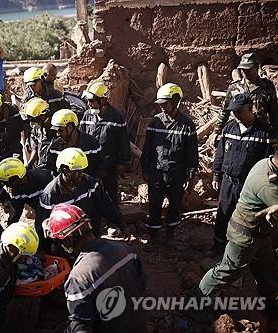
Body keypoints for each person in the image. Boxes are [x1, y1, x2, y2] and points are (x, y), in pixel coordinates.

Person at [193, 147, 278, 324]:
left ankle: (270, 305)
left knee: (266, 269)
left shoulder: (265, 163)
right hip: (245, 235)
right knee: (227, 271)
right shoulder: (268, 183)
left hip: (259, 234)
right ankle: (195, 304)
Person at [43, 204, 146, 333]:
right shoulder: (123, 249)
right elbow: (141, 283)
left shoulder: (78, 277)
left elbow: (81, 327)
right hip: (139, 324)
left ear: (69, 240)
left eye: (58, 241)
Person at [209, 93, 276, 256]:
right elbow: (220, 153)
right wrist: (216, 174)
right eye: (233, 111)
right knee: (223, 214)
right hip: (228, 182)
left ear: (250, 109)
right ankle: (218, 247)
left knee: (248, 219)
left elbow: (270, 162)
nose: (236, 115)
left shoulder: (265, 133)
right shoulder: (229, 128)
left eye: (239, 111)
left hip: (250, 186)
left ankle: (245, 252)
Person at [37, 147, 129, 252]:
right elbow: (43, 227)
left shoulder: (89, 182)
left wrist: (122, 224)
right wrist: (44, 253)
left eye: (82, 171)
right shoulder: (50, 195)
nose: (81, 175)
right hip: (67, 246)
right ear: (64, 169)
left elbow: (106, 205)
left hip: (90, 239)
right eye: (77, 172)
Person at [140, 83, 198, 250]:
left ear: (175, 101)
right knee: (155, 204)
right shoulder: (155, 122)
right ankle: (153, 236)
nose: (162, 107)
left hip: (177, 173)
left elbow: (192, 152)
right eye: (160, 104)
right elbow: (147, 149)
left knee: (174, 204)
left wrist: (190, 174)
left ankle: (170, 234)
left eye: (165, 103)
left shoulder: (187, 125)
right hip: (157, 172)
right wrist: (145, 170)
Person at [80, 81, 131, 203]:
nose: (89, 104)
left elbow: (123, 142)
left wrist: (122, 163)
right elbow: (81, 137)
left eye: (92, 101)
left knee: (110, 194)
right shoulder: (87, 116)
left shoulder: (116, 117)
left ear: (103, 100)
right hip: (90, 163)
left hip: (109, 164)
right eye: (88, 101)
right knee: (90, 194)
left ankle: (112, 219)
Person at [214, 52, 278, 138]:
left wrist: (275, 134)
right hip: (239, 130)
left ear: (256, 67)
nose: (245, 72)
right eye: (242, 69)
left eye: (248, 69)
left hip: (261, 132)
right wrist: (217, 130)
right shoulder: (234, 88)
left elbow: (274, 113)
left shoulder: (267, 87)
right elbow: (225, 110)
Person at [43, 108, 103, 177]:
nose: (58, 134)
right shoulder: (55, 146)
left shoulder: (91, 143)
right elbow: (50, 168)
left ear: (70, 127)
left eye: (60, 130)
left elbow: (101, 167)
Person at [0, 157, 53, 223]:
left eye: (6, 182)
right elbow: (16, 212)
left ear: (16, 178)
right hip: (41, 216)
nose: (6, 186)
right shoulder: (17, 190)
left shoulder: (45, 178)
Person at [22, 97, 55, 169]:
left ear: (42, 117)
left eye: (33, 119)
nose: (32, 123)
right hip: (41, 167)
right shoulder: (37, 129)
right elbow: (35, 148)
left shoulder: (57, 131)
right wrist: (29, 165)